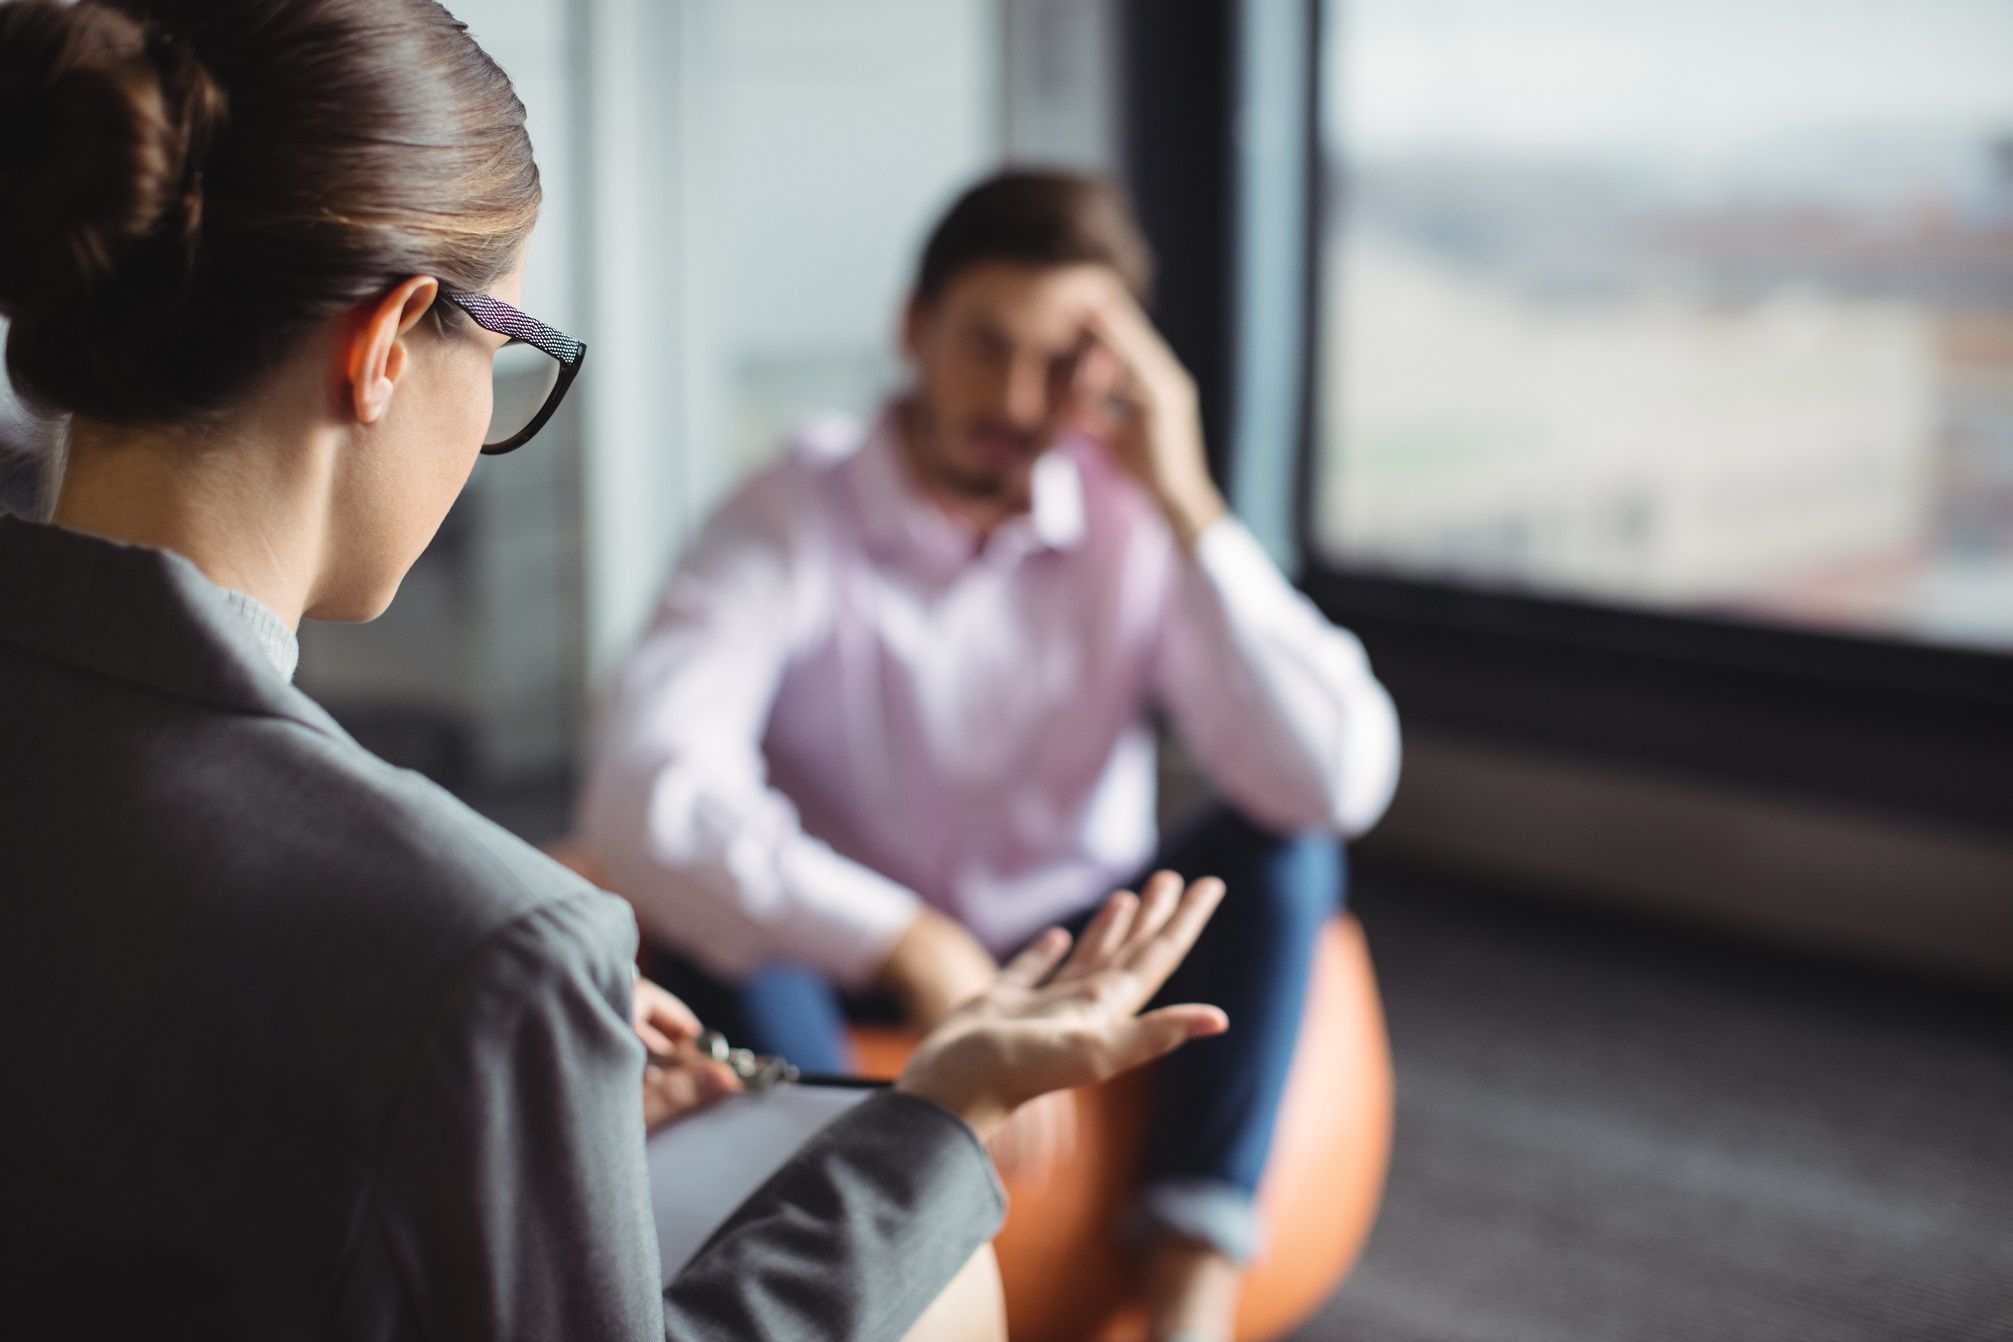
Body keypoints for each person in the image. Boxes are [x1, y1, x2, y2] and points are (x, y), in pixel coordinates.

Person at [0, 5, 1231, 1340]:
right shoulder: (484, 942)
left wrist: (487, 1111)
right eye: (509, 342)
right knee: (941, 1270)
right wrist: (946, 1112)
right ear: (388, 345)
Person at [580, 170, 1403, 1340]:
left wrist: (1191, 501)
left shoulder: (1135, 520)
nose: (1016, 398)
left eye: (1061, 362)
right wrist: (910, 940)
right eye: (985, 345)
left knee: (1287, 851)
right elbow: (647, 786)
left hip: (1073, 938)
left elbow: (1338, 777)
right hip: (841, 950)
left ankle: (1188, 1291)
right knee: (716, 926)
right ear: (913, 327)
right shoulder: (784, 513)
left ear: (1116, 374)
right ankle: (875, 1282)